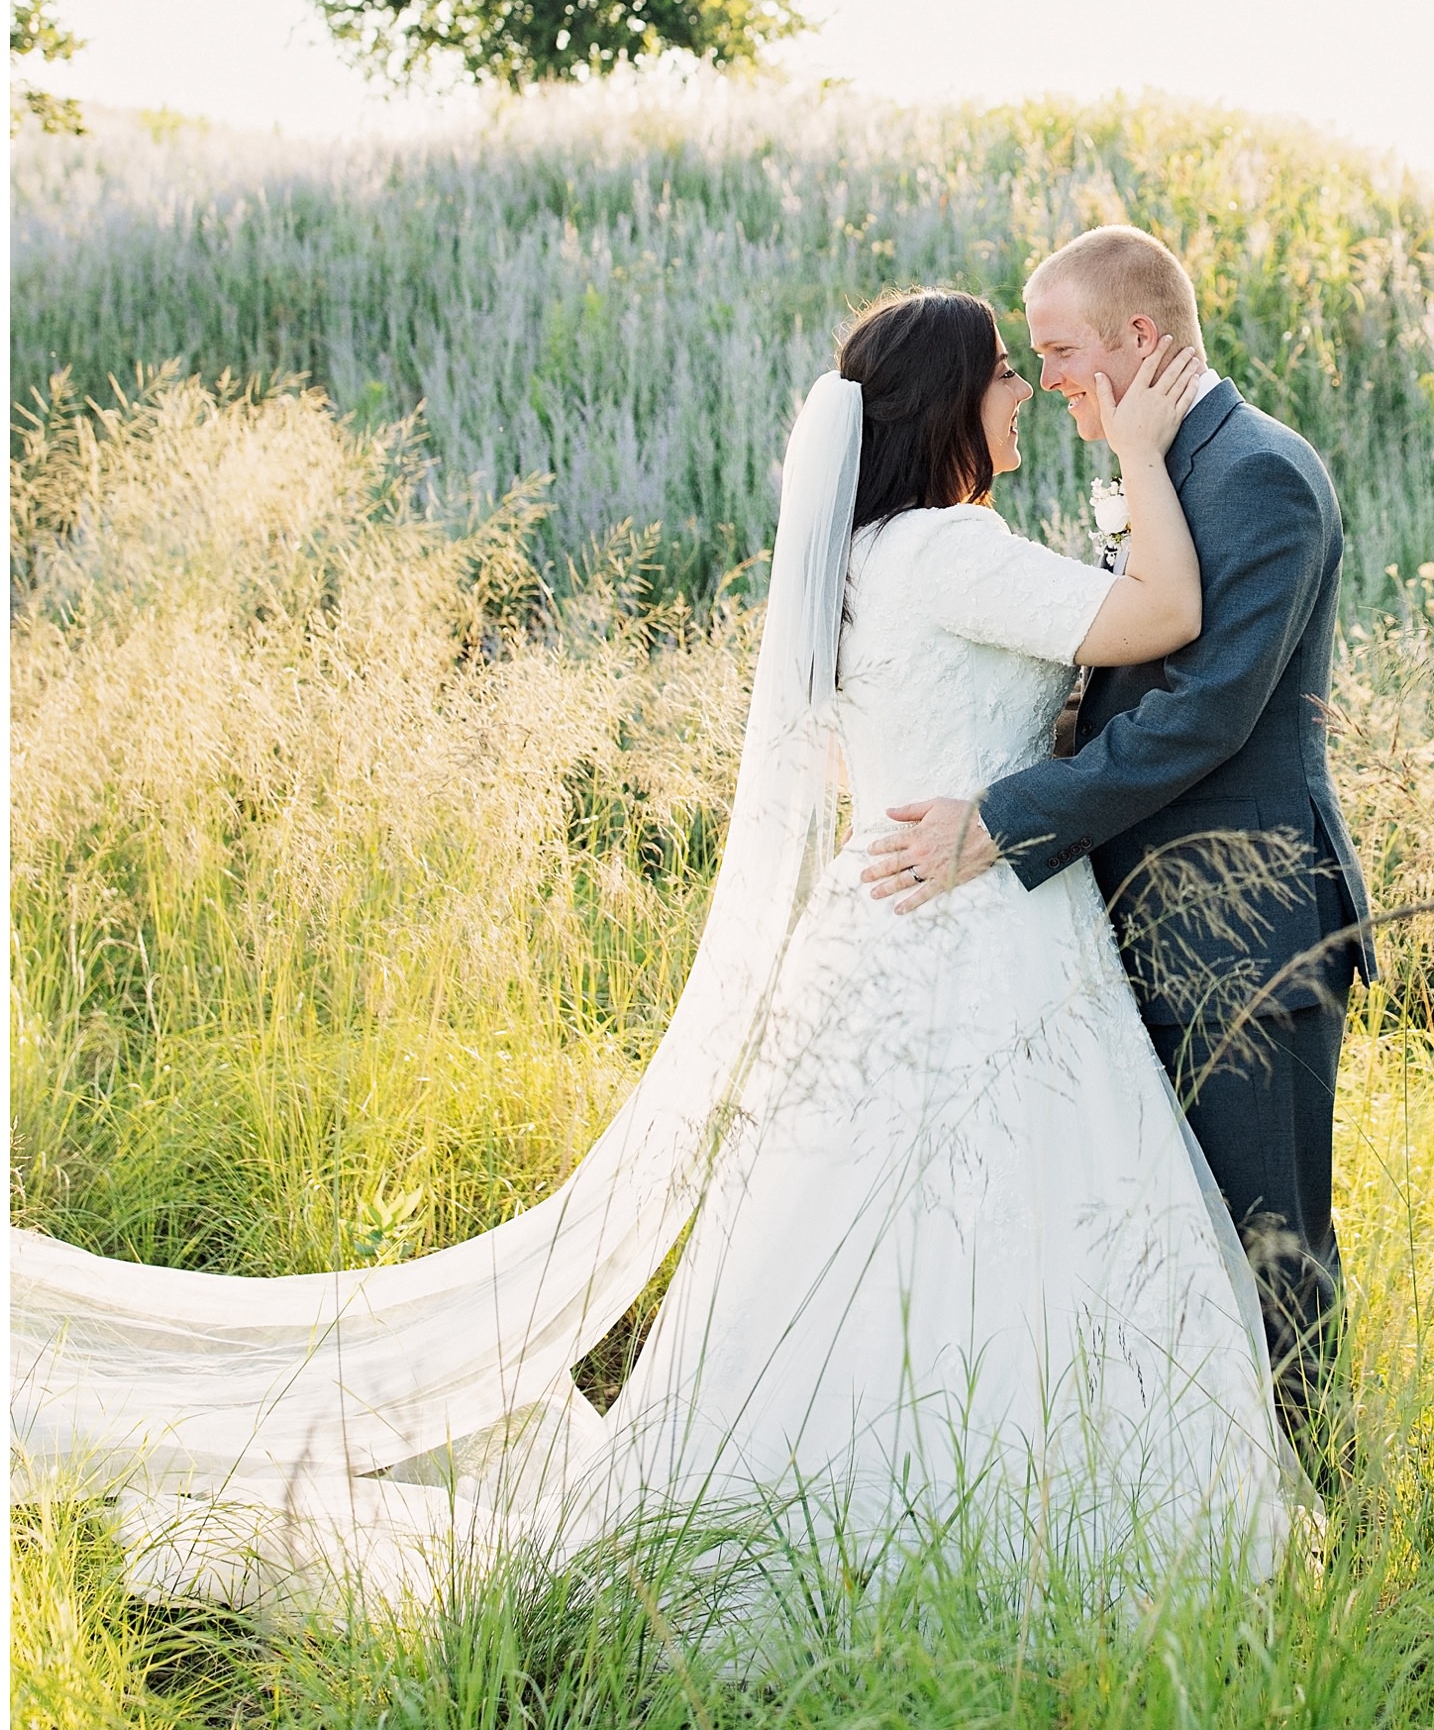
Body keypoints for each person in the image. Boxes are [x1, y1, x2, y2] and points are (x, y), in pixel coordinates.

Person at [12, 288, 1294, 1627]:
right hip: (978, 918)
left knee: (870, 1241)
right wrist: (1143, 455)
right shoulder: (949, 552)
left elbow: (872, 749)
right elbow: (1161, 614)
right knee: (1010, 1221)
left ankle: (877, 1507)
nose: (1024, 394)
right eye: (1001, 375)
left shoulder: (865, 560)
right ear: (948, 401)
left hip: (884, 915)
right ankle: (1018, 1531)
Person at [863, 229, 1374, 1469]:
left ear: (1138, 341)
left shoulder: (1256, 474)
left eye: (1057, 352)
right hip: (1117, 921)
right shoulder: (1162, 466)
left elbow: (1202, 711)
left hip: (1239, 927)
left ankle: (1326, 1527)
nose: (1042, 382)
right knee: (1166, 1250)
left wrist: (1000, 816)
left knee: (1269, 1244)